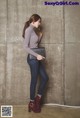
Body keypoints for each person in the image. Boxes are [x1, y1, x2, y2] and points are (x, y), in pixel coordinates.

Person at [22, 14, 49, 113]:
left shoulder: (34, 30)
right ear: (33, 21)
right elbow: (25, 47)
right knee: (34, 80)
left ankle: (38, 98)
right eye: (39, 21)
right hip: (32, 59)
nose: (40, 23)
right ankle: (32, 103)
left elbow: (34, 44)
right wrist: (36, 56)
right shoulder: (28, 30)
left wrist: (40, 37)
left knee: (45, 78)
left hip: (37, 57)